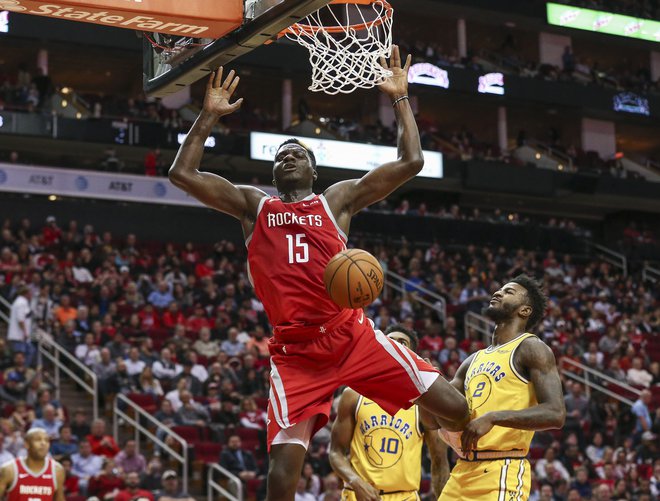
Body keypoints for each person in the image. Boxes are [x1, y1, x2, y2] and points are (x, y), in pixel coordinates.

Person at [169, 46, 469, 500]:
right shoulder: (255, 206)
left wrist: (400, 98)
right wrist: (207, 115)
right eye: (281, 155)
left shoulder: (337, 200)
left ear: (314, 169)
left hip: (352, 335)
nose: (288, 157)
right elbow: (182, 173)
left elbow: (411, 162)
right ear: (273, 170)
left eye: (298, 153)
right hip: (296, 353)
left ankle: (473, 478)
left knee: (457, 408)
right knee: (282, 473)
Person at [438, 275, 566, 501]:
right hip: (461, 471)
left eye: (509, 292)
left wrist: (494, 417)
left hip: (501, 470)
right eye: (499, 289)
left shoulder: (531, 348)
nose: (497, 292)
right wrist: (426, 382)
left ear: (524, 311)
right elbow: (437, 414)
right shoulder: (471, 361)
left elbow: (555, 413)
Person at [329, 324, 450, 500]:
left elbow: (439, 460)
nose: (396, 345)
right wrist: (354, 480)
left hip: (405, 496)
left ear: (412, 357)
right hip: (358, 494)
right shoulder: (353, 395)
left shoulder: (423, 403)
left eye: (403, 343)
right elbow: (335, 452)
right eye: (390, 341)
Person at [0, 427, 65, 500]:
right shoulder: (9, 470)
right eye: (38, 439)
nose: (43, 443)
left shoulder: (57, 470)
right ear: (26, 444)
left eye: (46, 440)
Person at [7, 285, 34, 366]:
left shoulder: (20, 302)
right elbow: (20, 319)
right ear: (26, 293)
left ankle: (23, 372)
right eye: (30, 293)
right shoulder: (21, 303)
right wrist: (25, 332)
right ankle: (21, 373)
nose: (31, 295)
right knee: (20, 357)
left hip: (20, 336)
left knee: (30, 351)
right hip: (19, 336)